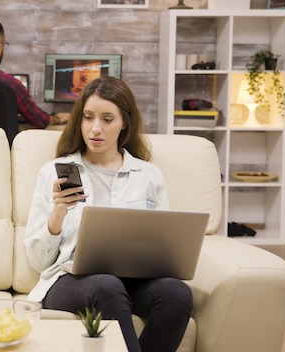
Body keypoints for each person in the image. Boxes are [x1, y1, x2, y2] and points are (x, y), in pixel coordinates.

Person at [24, 76, 192, 352]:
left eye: (107, 119)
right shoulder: (56, 171)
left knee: (176, 293)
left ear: (125, 122)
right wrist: (58, 213)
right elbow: (38, 261)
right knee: (107, 286)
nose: (95, 129)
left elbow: (166, 247)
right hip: (69, 280)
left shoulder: (147, 175)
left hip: (133, 281)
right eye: (88, 117)